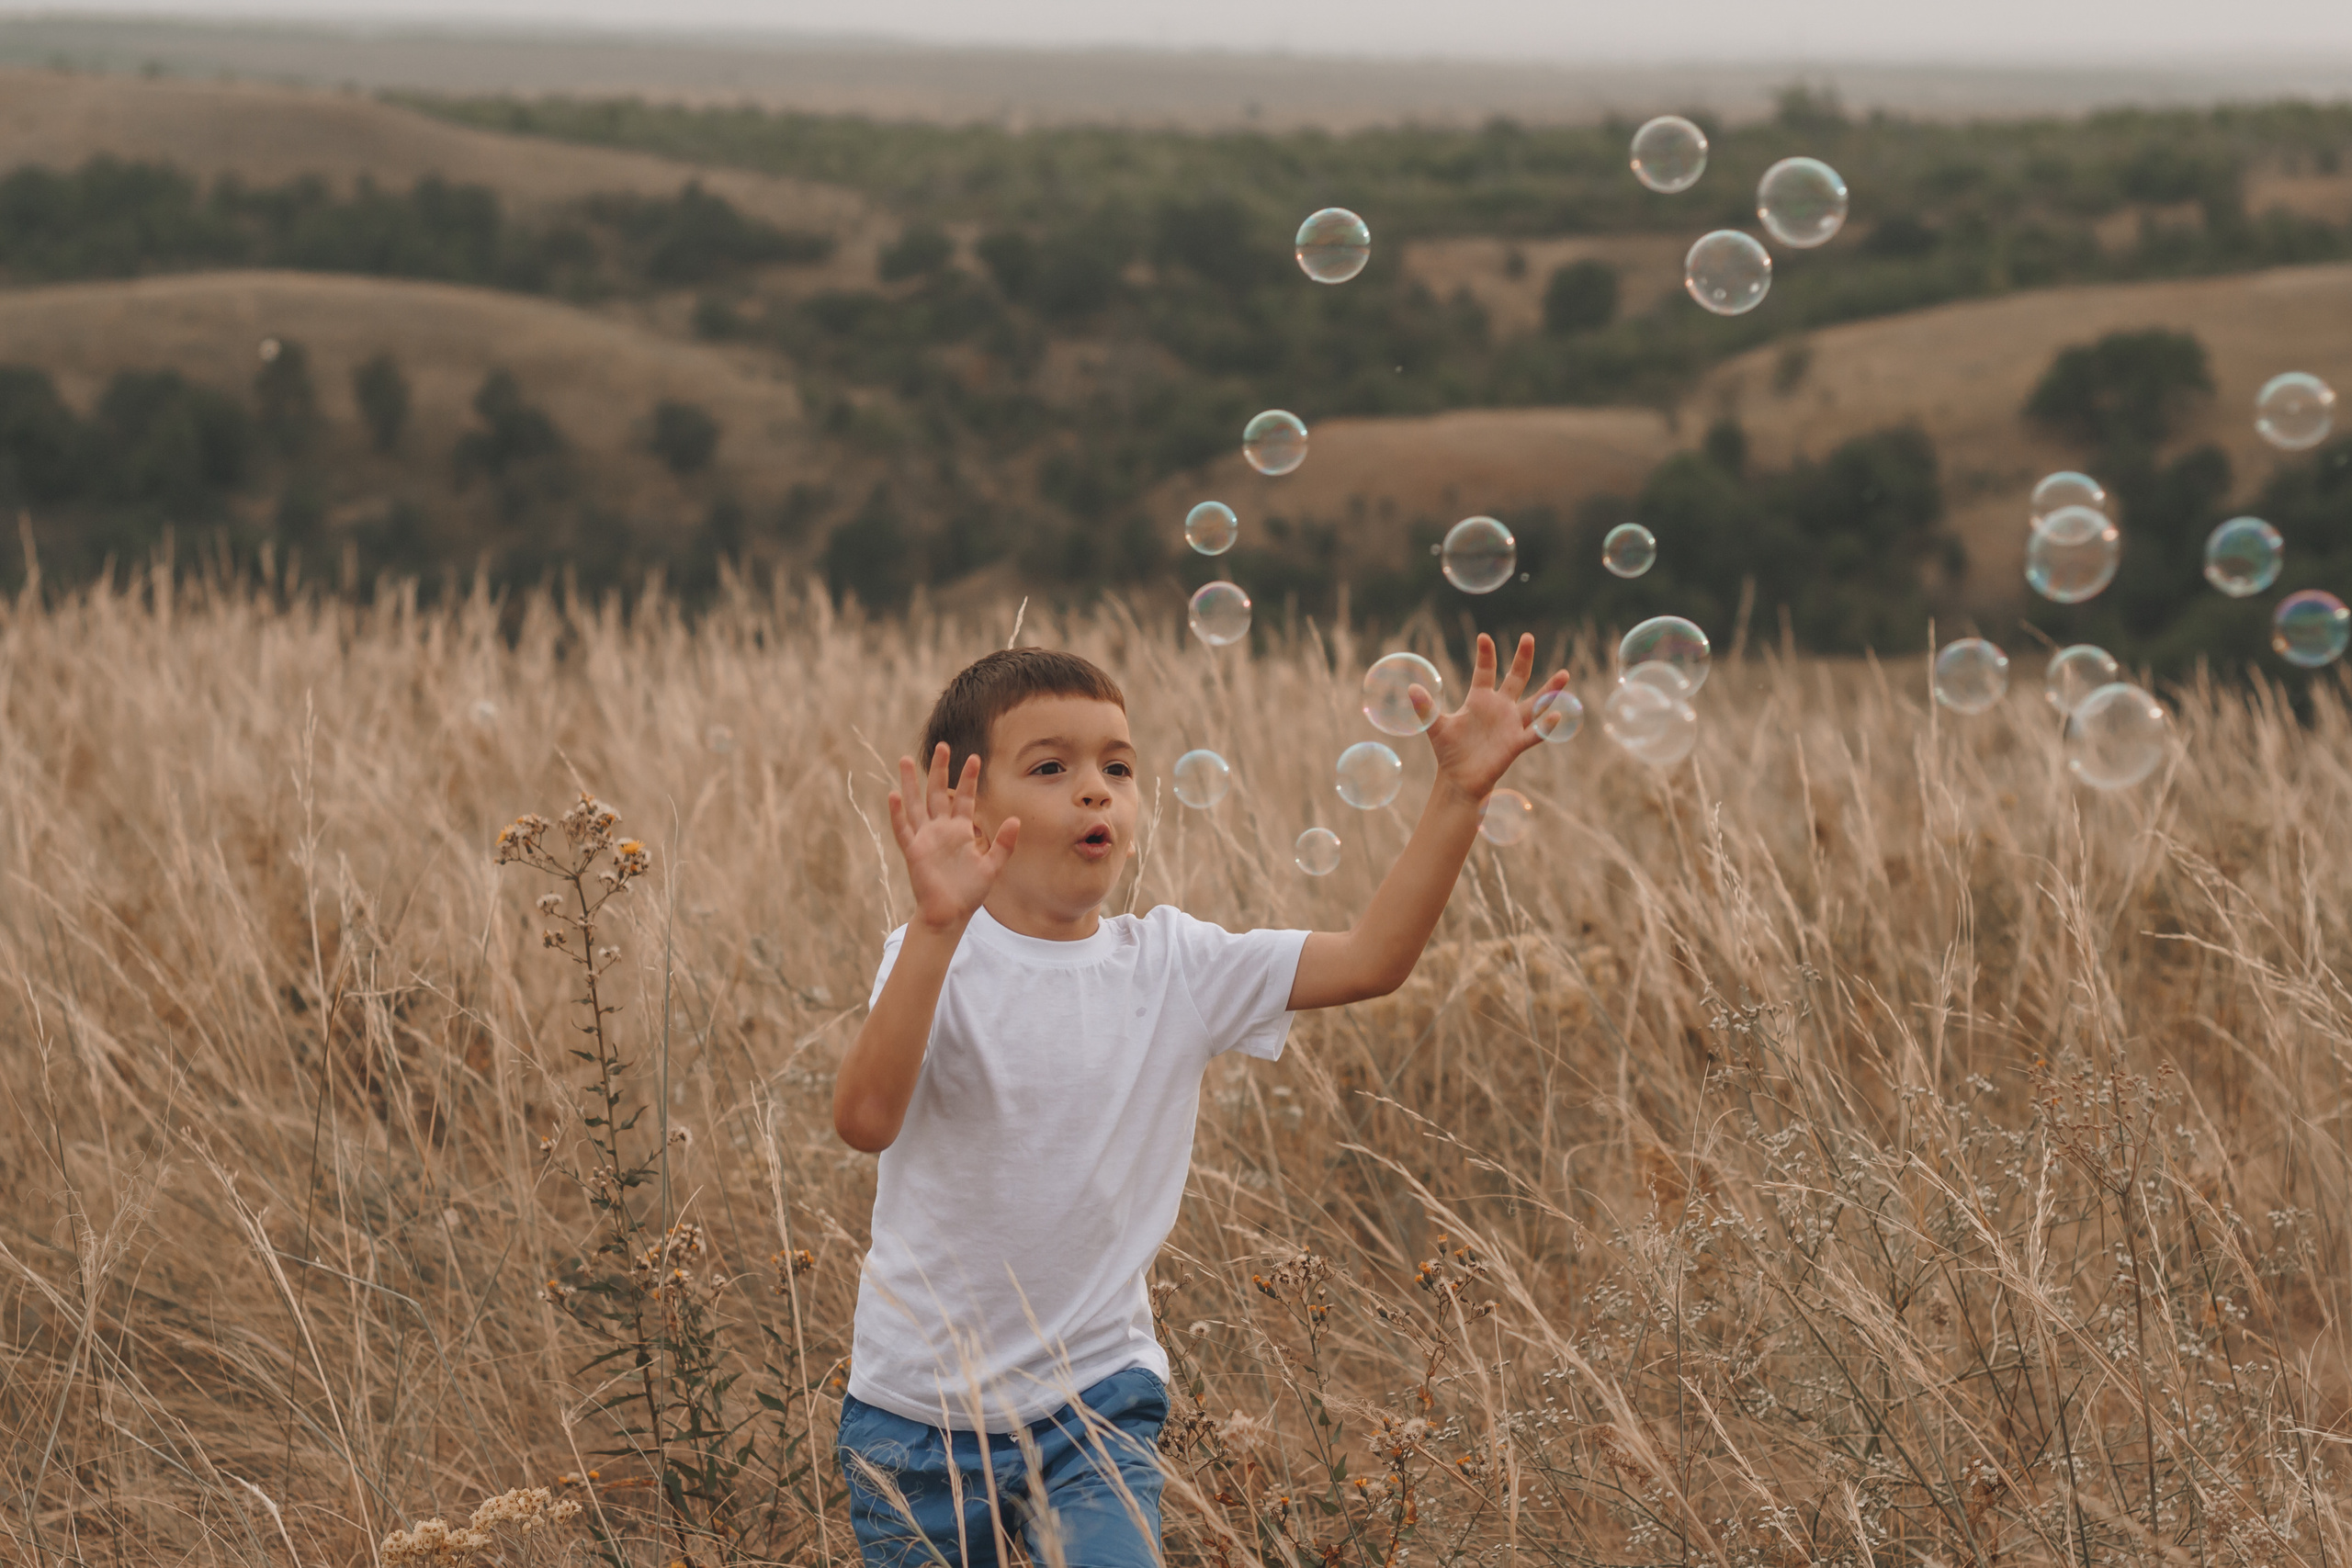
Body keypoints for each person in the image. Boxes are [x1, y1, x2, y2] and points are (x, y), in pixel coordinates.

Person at [831, 634, 1570, 1568]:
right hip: (917, 1416)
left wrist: (1457, 794)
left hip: (1096, 1398)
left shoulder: (1173, 964)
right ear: (968, 810)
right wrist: (938, 926)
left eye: (1118, 766)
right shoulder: (937, 956)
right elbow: (864, 1122)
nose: (1096, 788)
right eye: (1051, 767)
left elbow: (1375, 959)